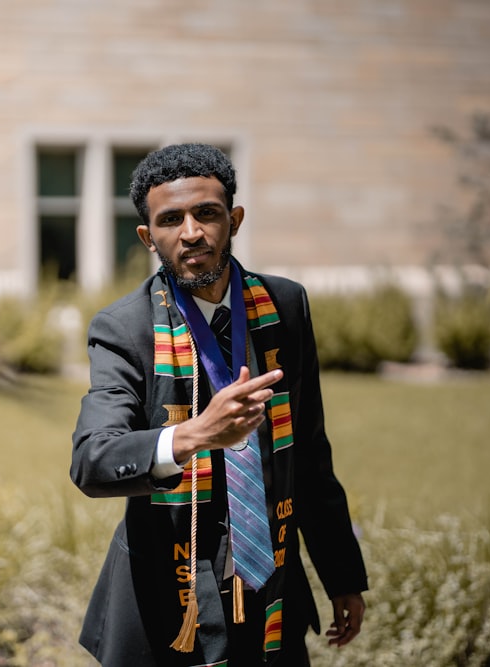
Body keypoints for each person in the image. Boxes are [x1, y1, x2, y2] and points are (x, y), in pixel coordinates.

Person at [71, 143, 368, 666]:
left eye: (206, 213)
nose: (191, 233)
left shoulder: (285, 307)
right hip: (168, 596)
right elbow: (93, 460)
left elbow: (309, 454)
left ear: (233, 219)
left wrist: (341, 575)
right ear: (147, 236)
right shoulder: (124, 328)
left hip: (273, 578)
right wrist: (197, 434)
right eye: (171, 219)